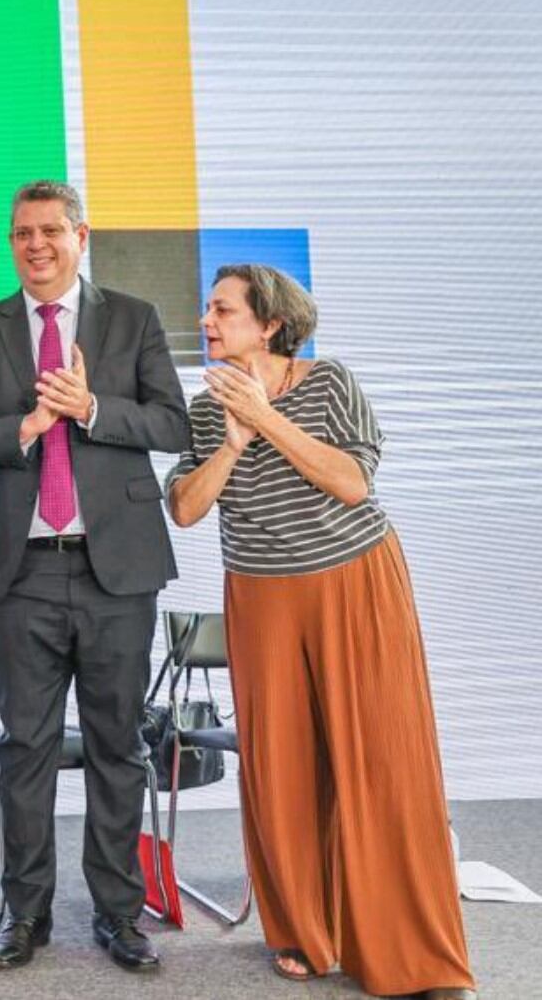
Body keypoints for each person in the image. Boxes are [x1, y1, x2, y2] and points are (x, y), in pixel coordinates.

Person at [164, 264, 475, 1000]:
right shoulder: (204, 406)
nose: (205, 322)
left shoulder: (328, 382)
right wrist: (234, 439)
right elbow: (184, 507)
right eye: (205, 310)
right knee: (282, 767)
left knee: (381, 762)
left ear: (268, 322)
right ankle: (305, 929)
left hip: (353, 583)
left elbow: (351, 482)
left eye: (221, 310)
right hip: (261, 595)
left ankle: (419, 955)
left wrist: (267, 418)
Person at [0, 180, 189, 973]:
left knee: (117, 745)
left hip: (116, 570)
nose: (35, 244)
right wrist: (25, 425)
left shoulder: (132, 318)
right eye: (21, 232)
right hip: (19, 573)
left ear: (81, 236)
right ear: (9, 242)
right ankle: (24, 912)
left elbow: (172, 423)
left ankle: (118, 914)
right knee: (27, 748)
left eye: (50, 230)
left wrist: (89, 408)